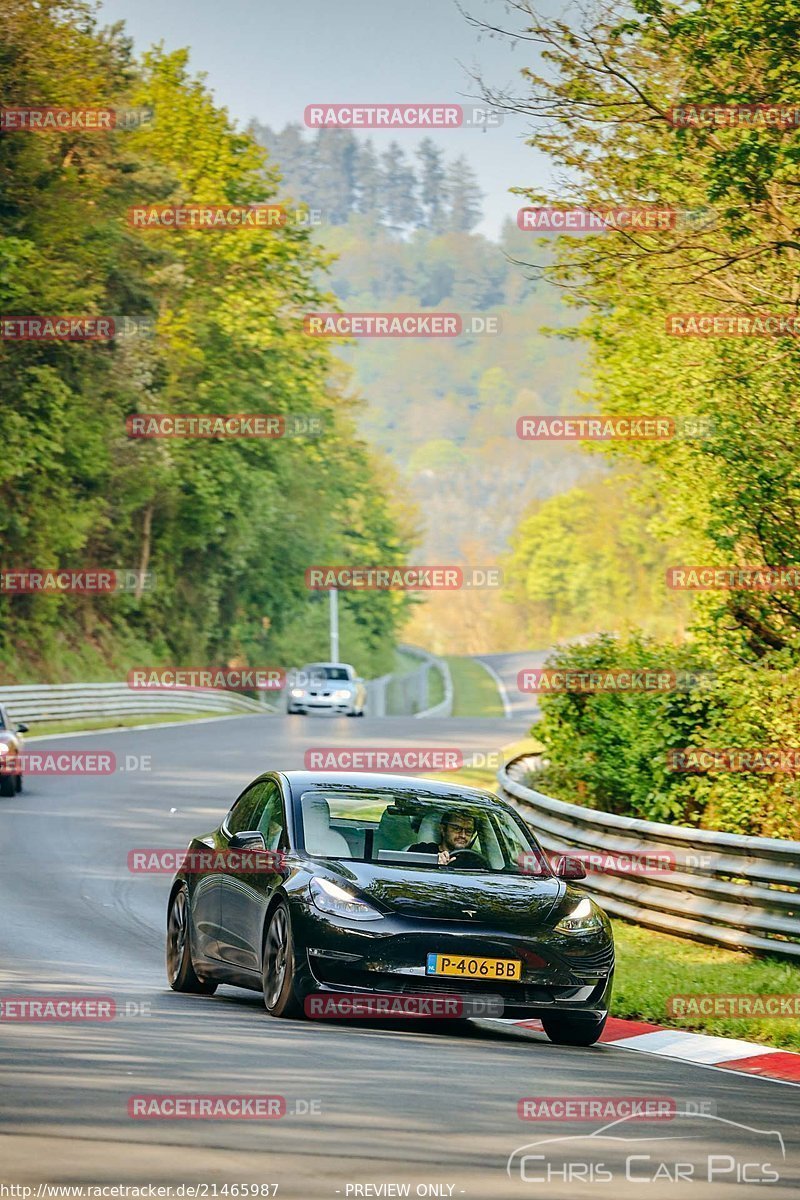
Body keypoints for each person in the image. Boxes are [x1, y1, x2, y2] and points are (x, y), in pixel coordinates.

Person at [407, 810, 478, 866]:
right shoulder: (421, 851)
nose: (463, 835)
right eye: (456, 829)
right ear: (443, 829)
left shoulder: (475, 860)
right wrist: (433, 861)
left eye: (468, 831)